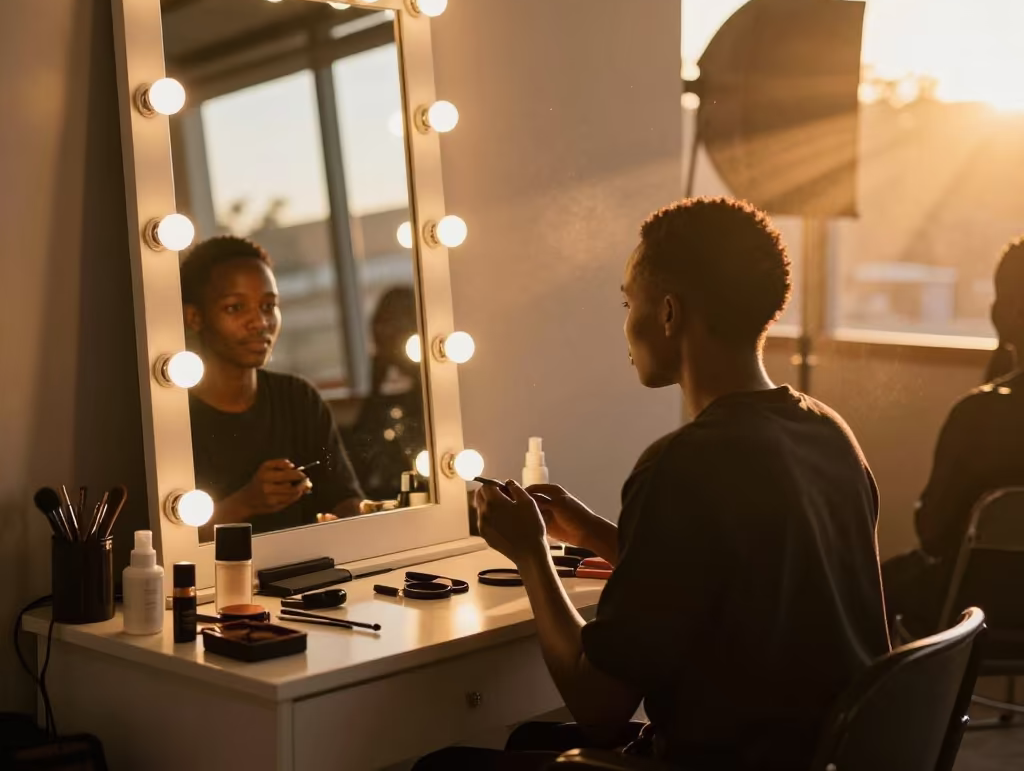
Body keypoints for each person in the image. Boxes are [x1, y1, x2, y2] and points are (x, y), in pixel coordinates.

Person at [414, 197, 890, 771]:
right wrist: (593, 533)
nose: (624, 324)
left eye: (626, 302)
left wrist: (530, 553)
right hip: (821, 754)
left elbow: (598, 709)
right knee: (523, 746)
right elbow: (744, 579)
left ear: (668, 314)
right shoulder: (828, 433)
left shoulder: (682, 466)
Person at [883, 236, 1024, 634]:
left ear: (1010, 312)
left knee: (858, 584)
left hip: (974, 613)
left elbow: (933, 535)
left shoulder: (979, 414)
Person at [180, 235, 363, 535]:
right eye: (235, 308)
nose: (260, 322)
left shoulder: (298, 399)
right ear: (194, 317)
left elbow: (346, 500)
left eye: (268, 305)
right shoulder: (174, 417)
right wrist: (245, 503)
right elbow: (166, 540)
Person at [342, 286, 427, 501]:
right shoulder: (380, 386)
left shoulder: (425, 393)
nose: (382, 331)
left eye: (392, 323)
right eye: (381, 323)